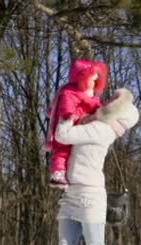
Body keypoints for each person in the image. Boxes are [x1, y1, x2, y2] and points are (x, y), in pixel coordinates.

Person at [54, 88, 139, 245]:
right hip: (71, 192)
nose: (107, 100)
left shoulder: (102, 129)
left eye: (113, 100)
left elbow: (63, 135)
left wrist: (68, 114)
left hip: (90, 196)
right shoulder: (95, 124)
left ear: (116, 111)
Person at [43, 59, 107, 188]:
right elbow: (66, 104)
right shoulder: (70, 92)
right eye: (91, 80)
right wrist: (67, 115)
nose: (93, 83)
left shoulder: (90, 95)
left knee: (74, 152)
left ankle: (69, 174)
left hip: (79, 127)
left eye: (95, 81)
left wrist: (103, 112)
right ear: (81, 78)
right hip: (67, 123)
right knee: (62, 150)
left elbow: (96, 106)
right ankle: (57, 173)